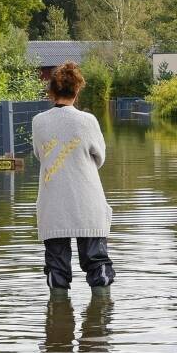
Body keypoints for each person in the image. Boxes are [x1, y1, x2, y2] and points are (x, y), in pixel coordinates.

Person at [32, 61, 115, 294]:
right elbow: (99, 157)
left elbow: (39, 154)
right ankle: (99, 322)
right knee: (97, 265)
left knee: (56, 270)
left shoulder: (38, 122)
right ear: (77, 90)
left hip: (53, 202)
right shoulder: (88, 121)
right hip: (87, 200)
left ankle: (58, 321)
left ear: (51, 92)